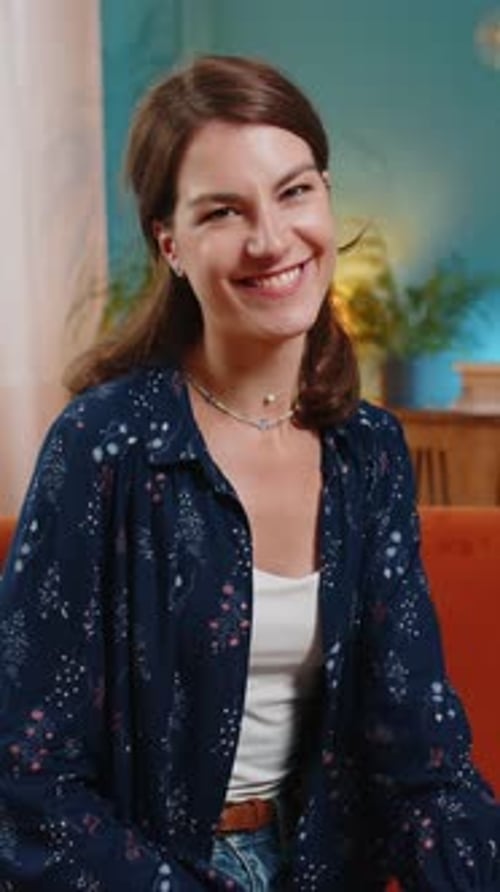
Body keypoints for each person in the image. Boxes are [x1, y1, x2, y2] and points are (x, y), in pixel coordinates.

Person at [0, 54, 498, 892]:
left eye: (294, 190)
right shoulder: (104, 445)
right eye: (224, 211)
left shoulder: (367, 451)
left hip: (322, 869)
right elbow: (24, 771)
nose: (272, 240)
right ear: (172, 246)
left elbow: (419, 756)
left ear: (327, 197)